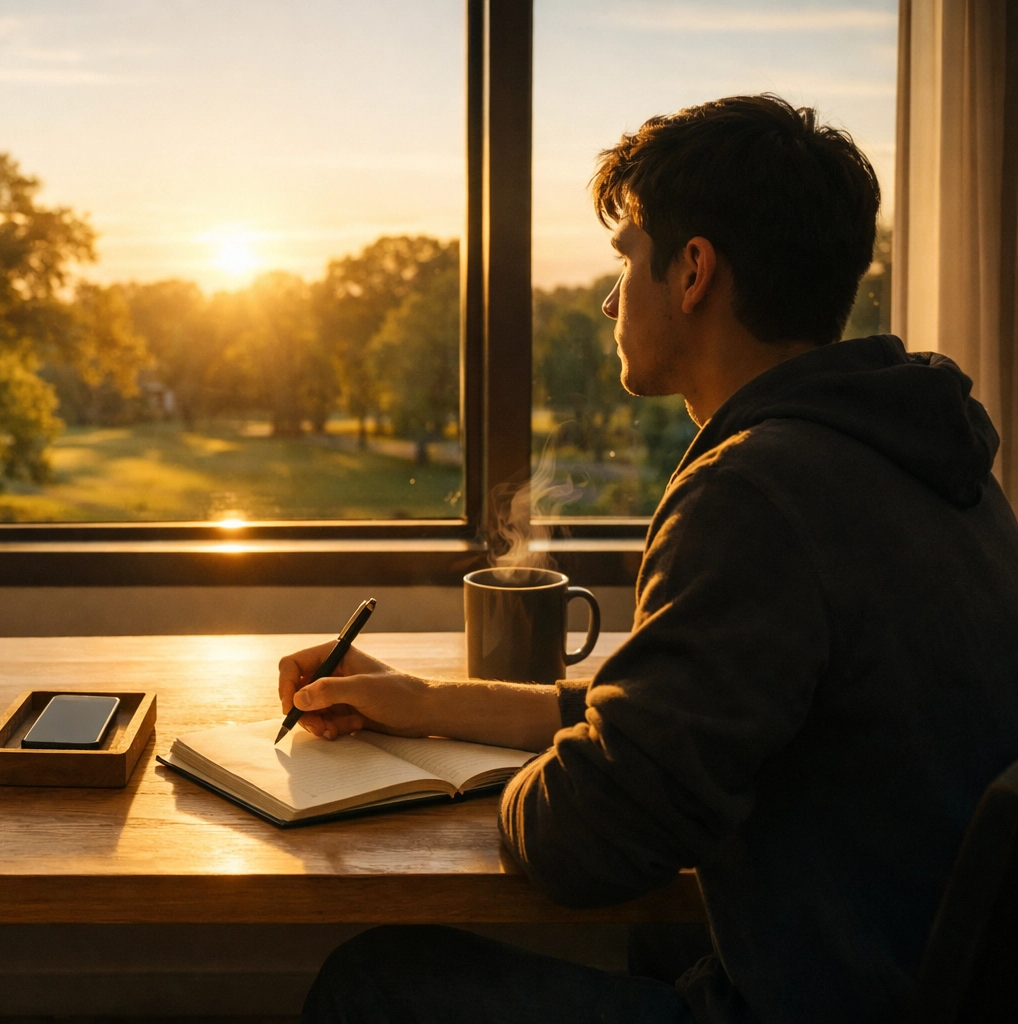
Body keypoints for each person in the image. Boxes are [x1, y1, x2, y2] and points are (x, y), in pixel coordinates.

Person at [281, 94, 1018, 1024]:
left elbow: (586, 839)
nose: (607, 294)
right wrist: (428, 706)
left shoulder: (756, 493)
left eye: (625, 255)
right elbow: (677, 713)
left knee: (377, 984)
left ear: (693, 272)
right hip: (903, 974)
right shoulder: (915, 458)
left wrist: (461, 787)